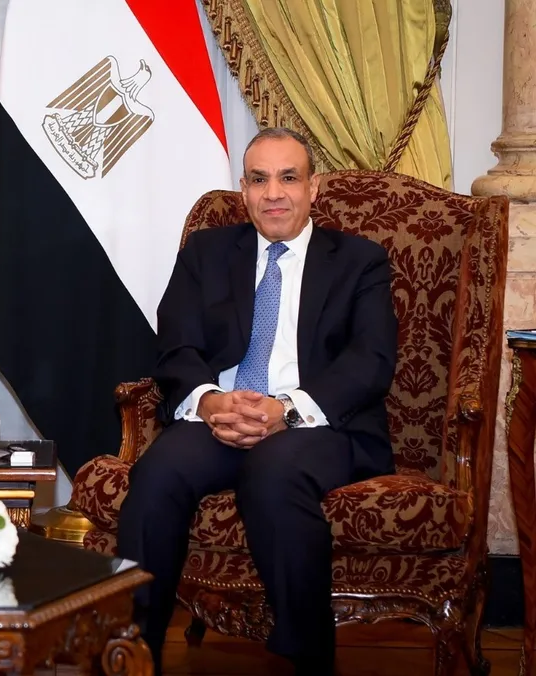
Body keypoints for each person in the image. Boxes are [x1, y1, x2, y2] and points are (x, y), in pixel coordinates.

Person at [116, 127, 397, 675]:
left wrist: (284, 411)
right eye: (259, 179)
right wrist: (210, 402)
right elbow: (175, 345)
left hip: (317, 427)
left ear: (314, 187)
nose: (274, 193)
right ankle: (132, 652)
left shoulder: (359, 261)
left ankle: (307, 656)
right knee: (157, 474)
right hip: (221, 417)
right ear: (243, 190)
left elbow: (370, 361)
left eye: (288, 178)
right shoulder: (207, 252)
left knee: (274, 469)